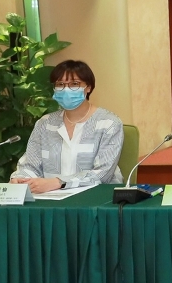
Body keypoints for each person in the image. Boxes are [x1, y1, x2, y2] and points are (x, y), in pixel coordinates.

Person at [11, 60, 124, 192]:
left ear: (88, 87)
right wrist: (21, 179)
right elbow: (30, 165)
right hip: (50, 196)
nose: (66, 89)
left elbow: (103, 173)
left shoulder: (108, 123)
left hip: (96, 196)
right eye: (60, 84)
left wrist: (60, 182)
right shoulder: (45, 123)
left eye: (74, 84)